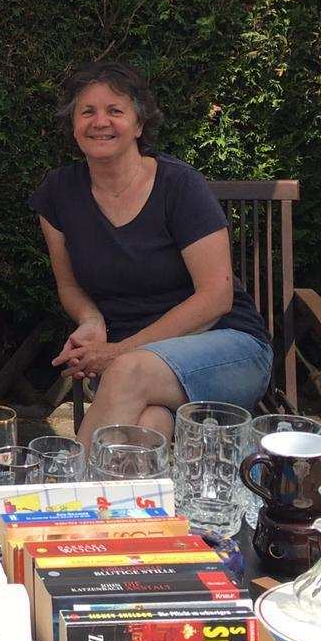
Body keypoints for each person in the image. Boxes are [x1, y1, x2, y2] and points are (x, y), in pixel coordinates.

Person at [31, 61, 272, 445]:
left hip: (225, 348)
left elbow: (216, 297)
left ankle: (67, 480)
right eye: (87, 111)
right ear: (73, 125)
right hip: (131, 365)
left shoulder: (179, 186)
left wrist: (118, 352)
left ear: (139, 124)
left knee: (128, 373)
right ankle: (119, 489)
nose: (100, 122)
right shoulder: (59, 192)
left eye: (115, 110)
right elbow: (70, 286)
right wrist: (91, 320)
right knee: (146, 428)